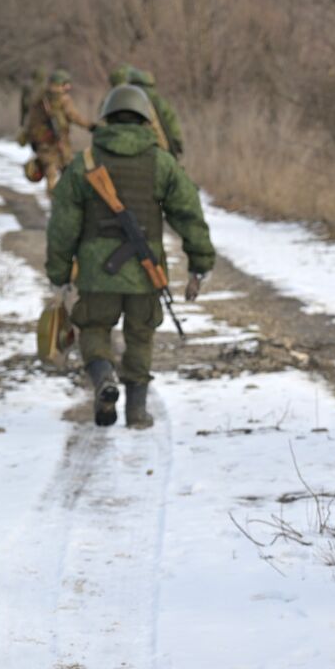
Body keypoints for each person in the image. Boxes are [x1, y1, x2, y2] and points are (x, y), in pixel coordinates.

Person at [45, 85, 215, 429]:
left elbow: (62, 223)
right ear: (145, 120)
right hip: (145, 269)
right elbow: (189, 215)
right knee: (140, 335)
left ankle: (105, 377)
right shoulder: (161, 162)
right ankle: (136, 411)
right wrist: (200, 264)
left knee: (93, 328)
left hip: (95, 272)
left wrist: (59, 272)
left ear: (107, 117)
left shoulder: (86, 163)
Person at [23, 70, 95, 195]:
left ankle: (53, 200)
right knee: (67, 172)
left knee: (50, 174)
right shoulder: (64, 99)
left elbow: (31, 122)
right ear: (60, 84)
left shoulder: (40, 97)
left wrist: (33, 139)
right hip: (61, 142)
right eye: (66, 84)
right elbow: (74, 117)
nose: (69, 87)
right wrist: (91, 126)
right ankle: (63, 202)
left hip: (43, 143)